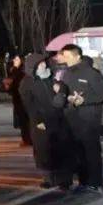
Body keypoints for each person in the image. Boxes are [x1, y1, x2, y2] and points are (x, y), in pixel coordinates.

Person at [58, 44, 103, 193]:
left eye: (68, 56)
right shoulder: (66, 73)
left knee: (91, 152)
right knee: (78, 152)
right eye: (64, 56)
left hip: (89, 120)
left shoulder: (91, 73)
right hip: (72, 119)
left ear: (77, 56)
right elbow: (65, 92)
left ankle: (95, 183)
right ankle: (83, 181)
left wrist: (84, 101)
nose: (65, 59)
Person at [19, 53, 73, 190]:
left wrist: (60, 89)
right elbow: (29, 105)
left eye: (44, 62)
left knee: (62, 149)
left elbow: (63, 93)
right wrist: (38, 121)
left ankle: (64, 180)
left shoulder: (52, 78)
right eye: (40, 63)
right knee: (44, 151)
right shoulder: (27, 83)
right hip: (41, 122)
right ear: (34, 67)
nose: (44, 65)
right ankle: (49, 178)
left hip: (59, 119)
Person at [6, 54, 32, 145]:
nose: (14, 61)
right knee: (23, 120)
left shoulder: (20, 71)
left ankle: (27, 139)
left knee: (24, 120)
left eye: (17, 59)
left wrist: (9, 86)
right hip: (18, 98)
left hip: (21, 98)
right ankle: (27, 138)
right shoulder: (15, 69)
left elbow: (14, 82)